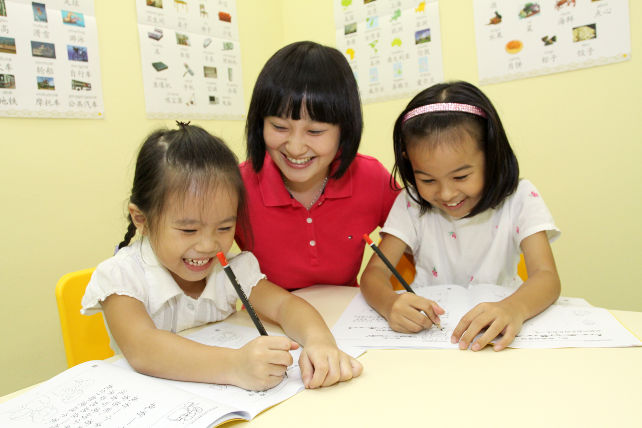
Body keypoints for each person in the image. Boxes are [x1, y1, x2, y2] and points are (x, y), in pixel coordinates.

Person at [81, 123, 362, 391]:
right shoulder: (122, 277)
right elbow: (143, 348)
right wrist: (235, 366)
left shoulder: (231, 270)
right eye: (189, 229)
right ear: (141, 219)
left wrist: (319, 341)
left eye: (224, 227)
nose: (208, 245)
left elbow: (286, 306)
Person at [360, 81, 561, 351]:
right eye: (427, 179)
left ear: (491, 155)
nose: (446, 193)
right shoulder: (411, 202)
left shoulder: (520, 197)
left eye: (461, 176)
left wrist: (514, 308)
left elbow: (546, 276)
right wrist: (390, 304)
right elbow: (373, 275)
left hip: (496, 335)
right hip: (429, 340)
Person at [235, 41, 399, 290]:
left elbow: (417, 226)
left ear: (344, 130)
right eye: (279, 127)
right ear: (260, 125)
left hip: (347, 320)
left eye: (315, 131)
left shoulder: (370, 177)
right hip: (267, 322)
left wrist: (377, 274)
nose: (295, 147)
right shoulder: (236, 186)